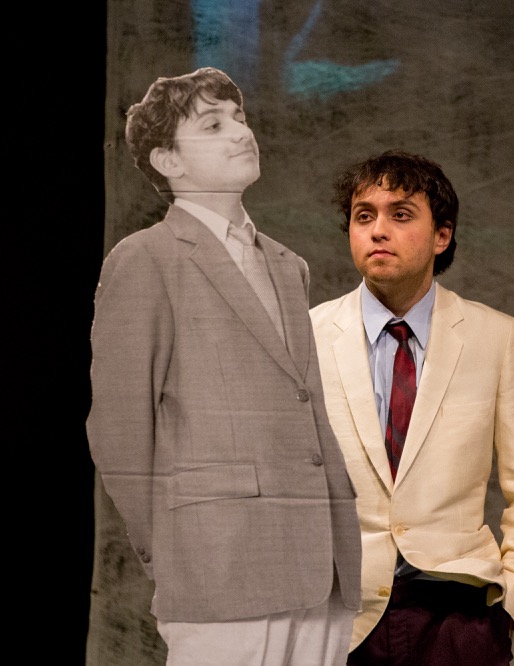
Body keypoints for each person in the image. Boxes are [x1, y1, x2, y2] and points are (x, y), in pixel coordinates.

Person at [87, 67, 362, 665]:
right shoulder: (145, 259)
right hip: (218, 566)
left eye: (240, 117)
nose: (241, 132)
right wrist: (171, 551)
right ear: (168, 161)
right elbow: (119, 428)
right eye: (213, 125)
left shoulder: (288, 265)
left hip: (324, 564)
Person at [310, 150, 514, 665]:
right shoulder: (305, 336)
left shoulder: (497, 338)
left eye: (401, 214)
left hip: (458, 617)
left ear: (442, 235)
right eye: (364, 216)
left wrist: (511, 604)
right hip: (335, 616)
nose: (379, 230)